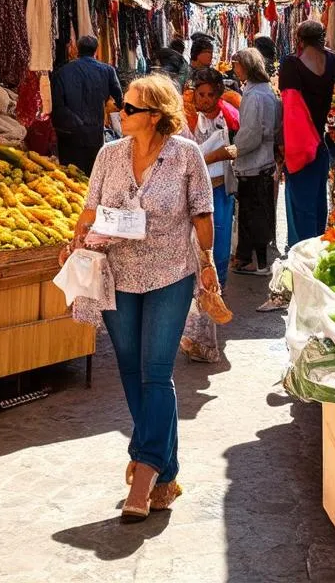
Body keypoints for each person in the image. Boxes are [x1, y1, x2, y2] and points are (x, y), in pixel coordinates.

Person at [69, 75, 219, 521]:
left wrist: (208, 263)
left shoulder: (186, 155)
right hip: (118, 274)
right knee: (132, 369)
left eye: (130, 108)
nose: (121, 113)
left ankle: (145, 467)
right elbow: (90, 210)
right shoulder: (109, 154)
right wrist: (77, 239)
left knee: (156, 371)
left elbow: (202, 214)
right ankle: (167, 471)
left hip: (170, 273)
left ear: (154, 115)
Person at [181, 68, 237, 362]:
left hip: (220, 192)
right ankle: (197, 333)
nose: (204, 100)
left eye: (210, 95)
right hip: (196, 199)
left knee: (220, 255)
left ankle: (214, 305)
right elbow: (186, 159)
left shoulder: (227, 115)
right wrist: (218, 155)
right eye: (199, 94)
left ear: (218, 95)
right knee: (202, 260)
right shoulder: (183, 120)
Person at [281, 20, 335, 247]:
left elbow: (291, 111)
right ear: (322, 37)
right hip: (326, 143)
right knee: (319, 200)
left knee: (300, 205)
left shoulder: (291, 64)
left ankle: (301, 255)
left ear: (299, 39)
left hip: (302, 144)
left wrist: (285, 149)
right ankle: (318, 248)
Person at [230, 48, 282, 276]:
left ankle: (260, 264)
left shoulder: (254, 96)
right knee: (258, 213)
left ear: (246, 66)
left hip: (253, 163)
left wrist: (233, 150)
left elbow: (251, 134)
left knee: (254, 215)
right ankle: (254, 260)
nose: (234, 69)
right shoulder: (265, 91)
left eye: (237, 65)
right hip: (263, 160)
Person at [51, 35, 123, 175]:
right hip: (94, 132)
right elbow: (119, 98)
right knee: (92, 174)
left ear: (78, 49)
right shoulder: (107, 70)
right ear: (96, 50)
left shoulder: (62, 72)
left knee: (70, 176)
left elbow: (57, 104)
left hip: (69, 134)